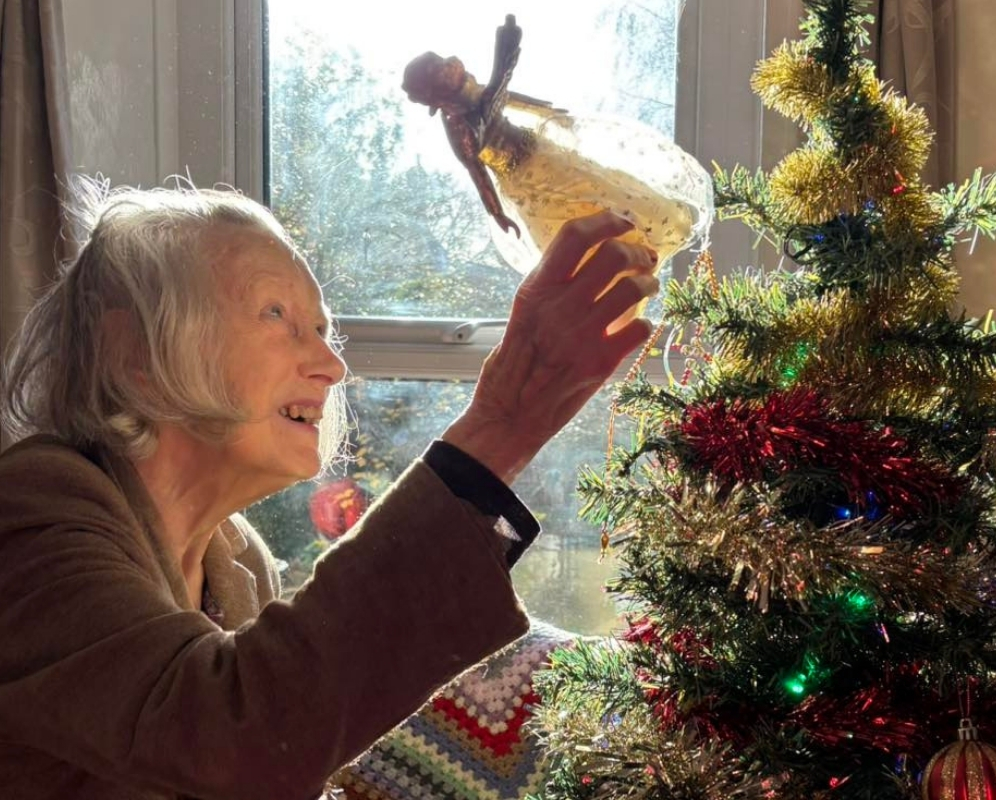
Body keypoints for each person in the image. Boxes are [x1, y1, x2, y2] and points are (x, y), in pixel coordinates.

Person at [0, 183, 659, 799]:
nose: (331, 363)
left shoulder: (236, 561)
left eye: (320, 328)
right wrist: (497, 431)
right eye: (276, 314)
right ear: (135, 354)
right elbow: (233, 737)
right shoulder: (32, 516)